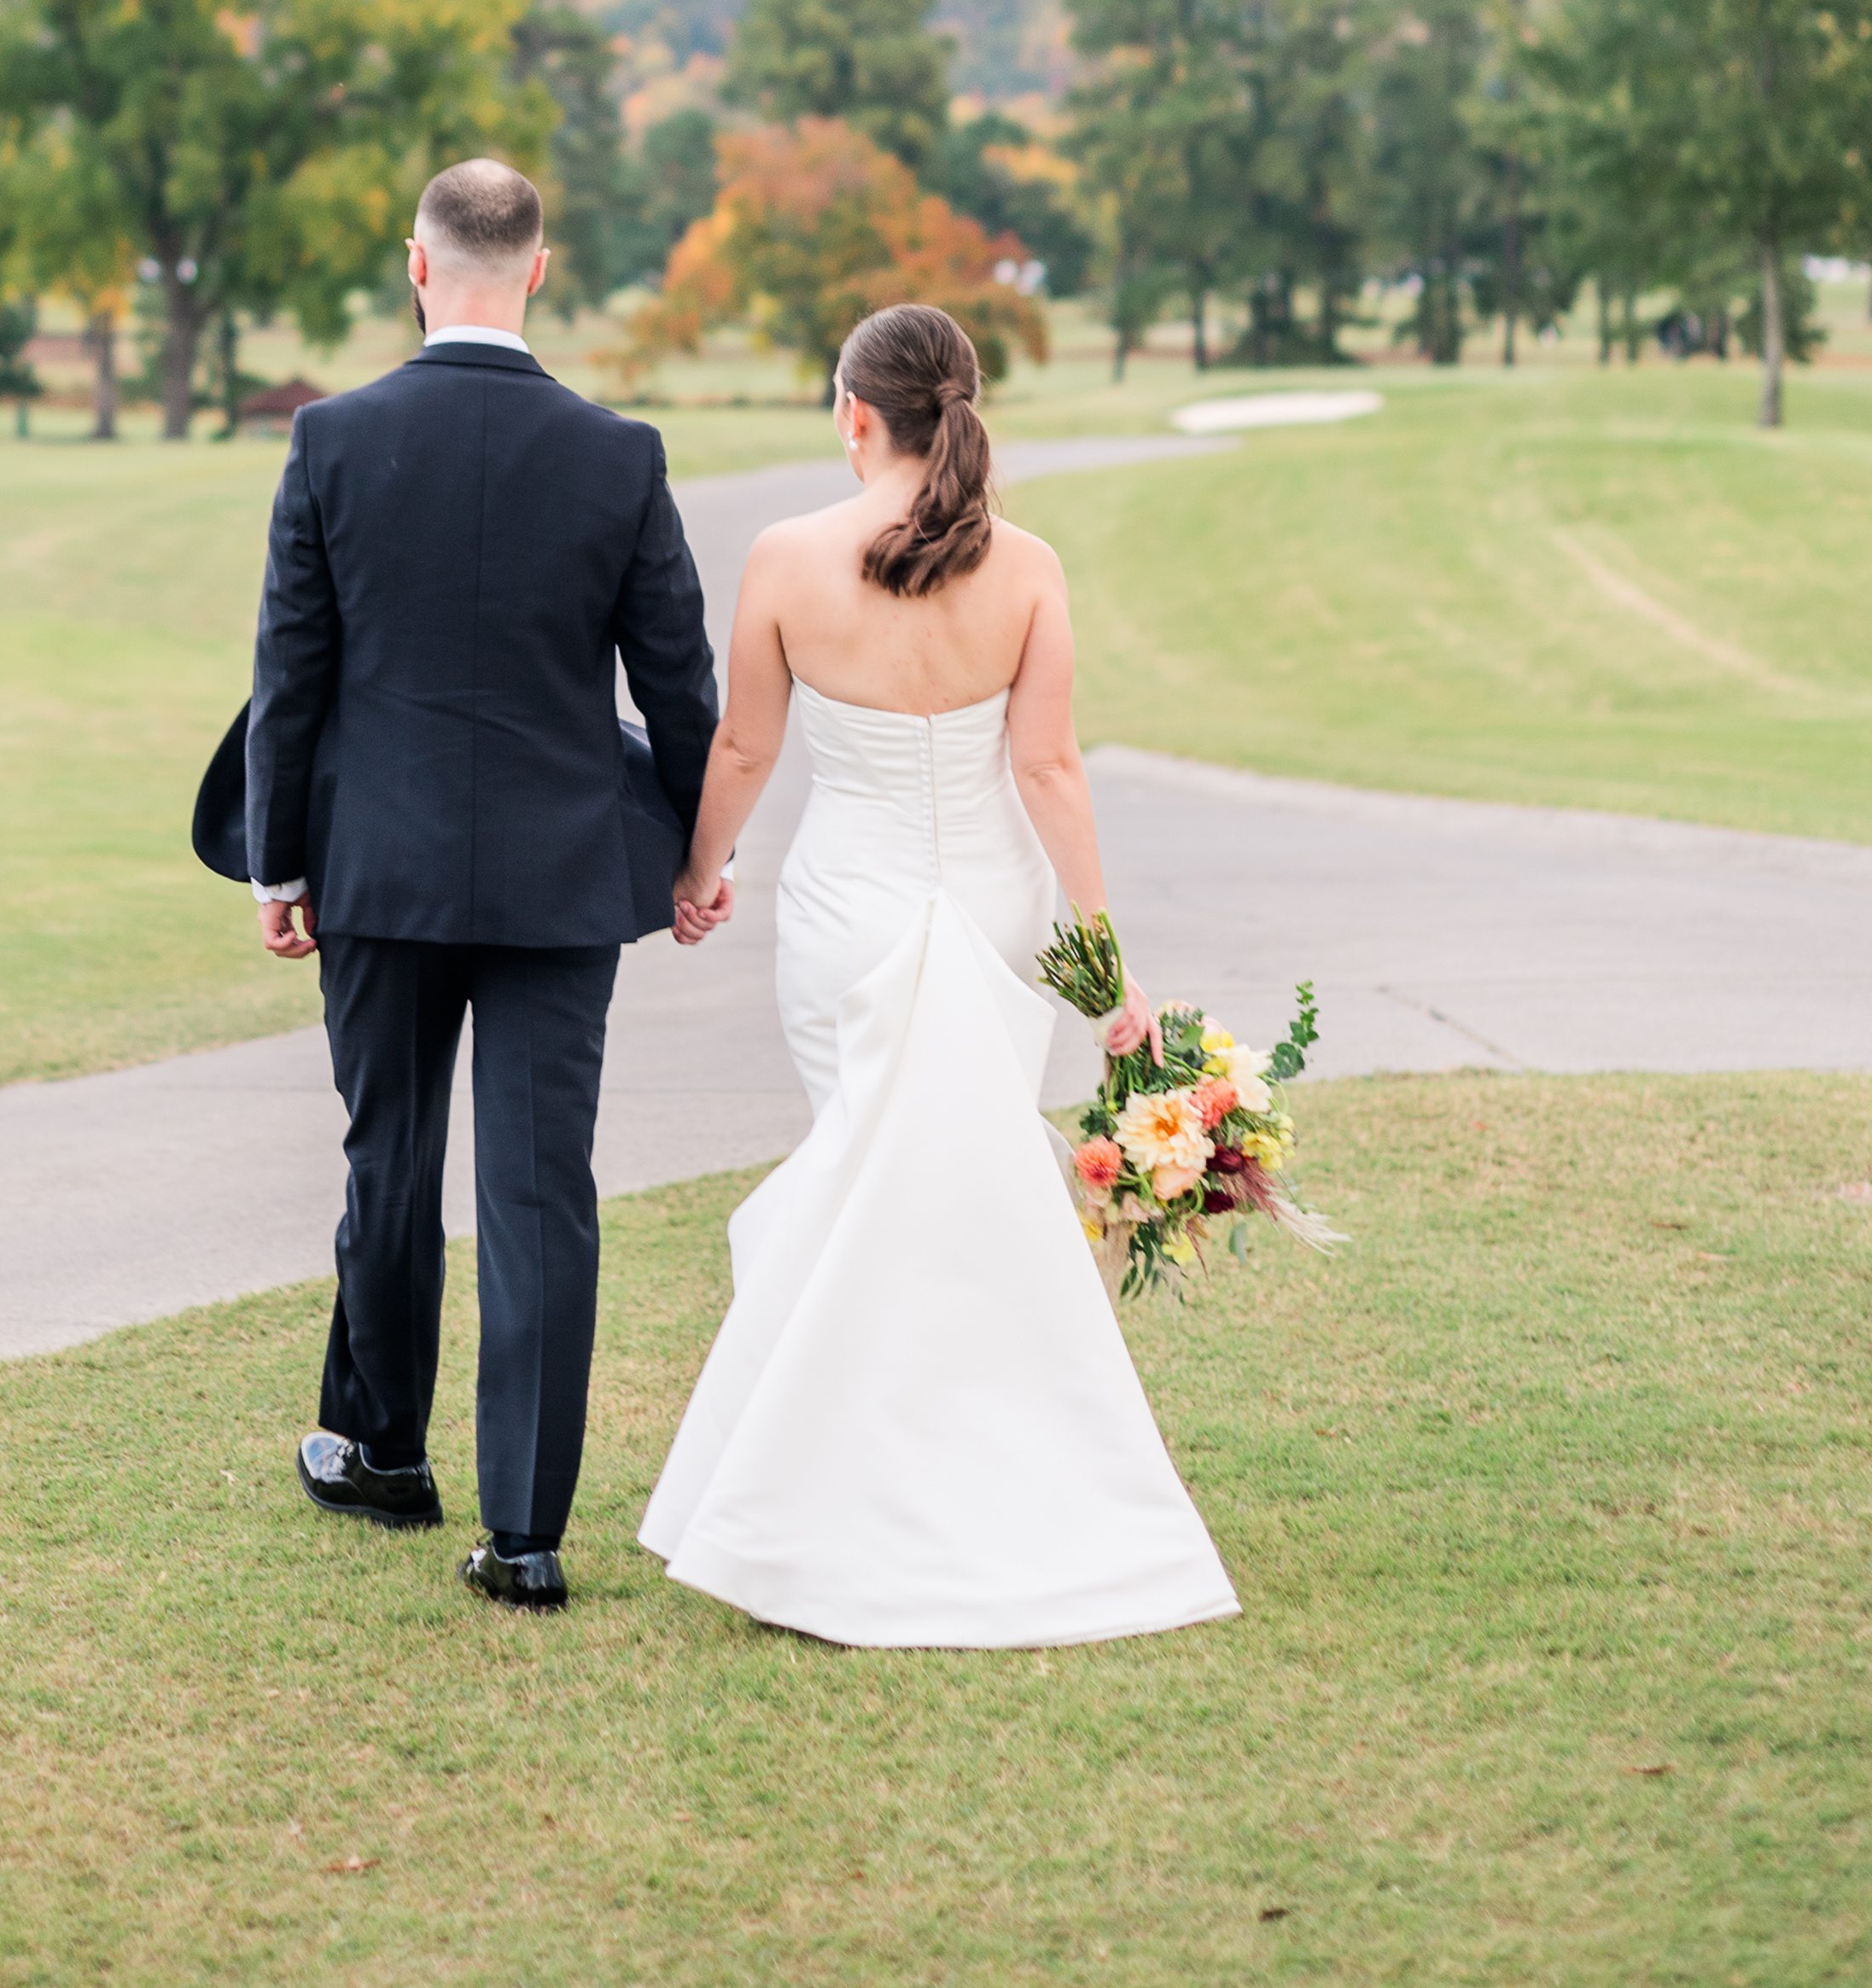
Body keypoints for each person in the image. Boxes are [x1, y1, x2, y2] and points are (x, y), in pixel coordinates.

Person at [639, 300, 1239, 1648]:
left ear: (855, 414)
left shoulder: (789, 559)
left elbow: (742, 751)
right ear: (962, 409)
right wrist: (1103, 968)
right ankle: (973, 1470)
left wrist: (695, 875)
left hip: (846, 920)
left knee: (869, 1168)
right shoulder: (1026, 567)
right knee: (946, 1185)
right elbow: (1047, 773)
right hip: (995, 919)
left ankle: (827, 1491)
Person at [236, 158, 720, 1613]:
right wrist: (702, 852)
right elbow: (681, 684)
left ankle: (384, 1450)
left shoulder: (334, 441)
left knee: (389, 1164)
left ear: (419, 263)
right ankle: (525, 1535)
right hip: (561, 880)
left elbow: (290, 677)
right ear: (543, 270)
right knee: (535, 1189)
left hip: (373, 873)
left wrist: (281, 862)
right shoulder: (618, 454)